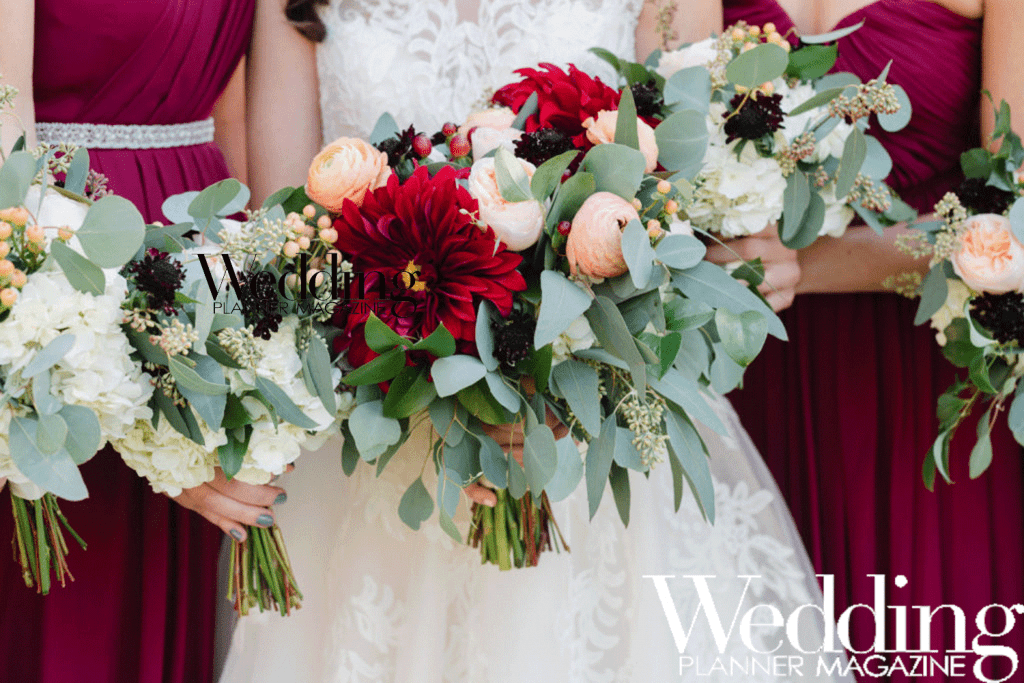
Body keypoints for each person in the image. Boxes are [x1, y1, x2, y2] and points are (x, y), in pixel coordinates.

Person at [218, 1, 852, 681]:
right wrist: (442, 371)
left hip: (596, 414)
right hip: (389, 410)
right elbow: (285, 239)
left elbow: (680, 208)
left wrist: (561, 370)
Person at [644, 0, 1024, 679]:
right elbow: (655, 147)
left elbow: (1015, 209)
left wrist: (796, 267)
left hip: (925, 397)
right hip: (744, 394)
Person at [0, 2, 287, 681]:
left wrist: (262, 378)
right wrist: (143, 415)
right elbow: (6, 122)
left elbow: (277, 186)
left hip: (199, 294)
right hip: (62, 266)